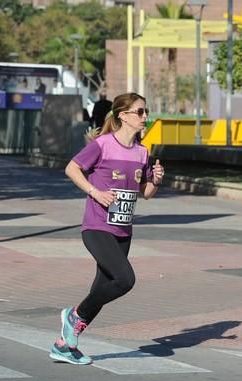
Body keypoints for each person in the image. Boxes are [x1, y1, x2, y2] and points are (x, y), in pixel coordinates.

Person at [49, 93, 164, 365]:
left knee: (102, 288)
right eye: (139, 112)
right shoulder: (102, 145)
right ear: (122, 116)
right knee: (125, 280)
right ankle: (73, 316)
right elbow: (72, 168)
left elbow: (145, 193)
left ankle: (64, 345)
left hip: (123, 231)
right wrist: (95, 191)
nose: (145, 117)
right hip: (97, 227)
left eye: (145, 111)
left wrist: (156, 180)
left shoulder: (142, 152)